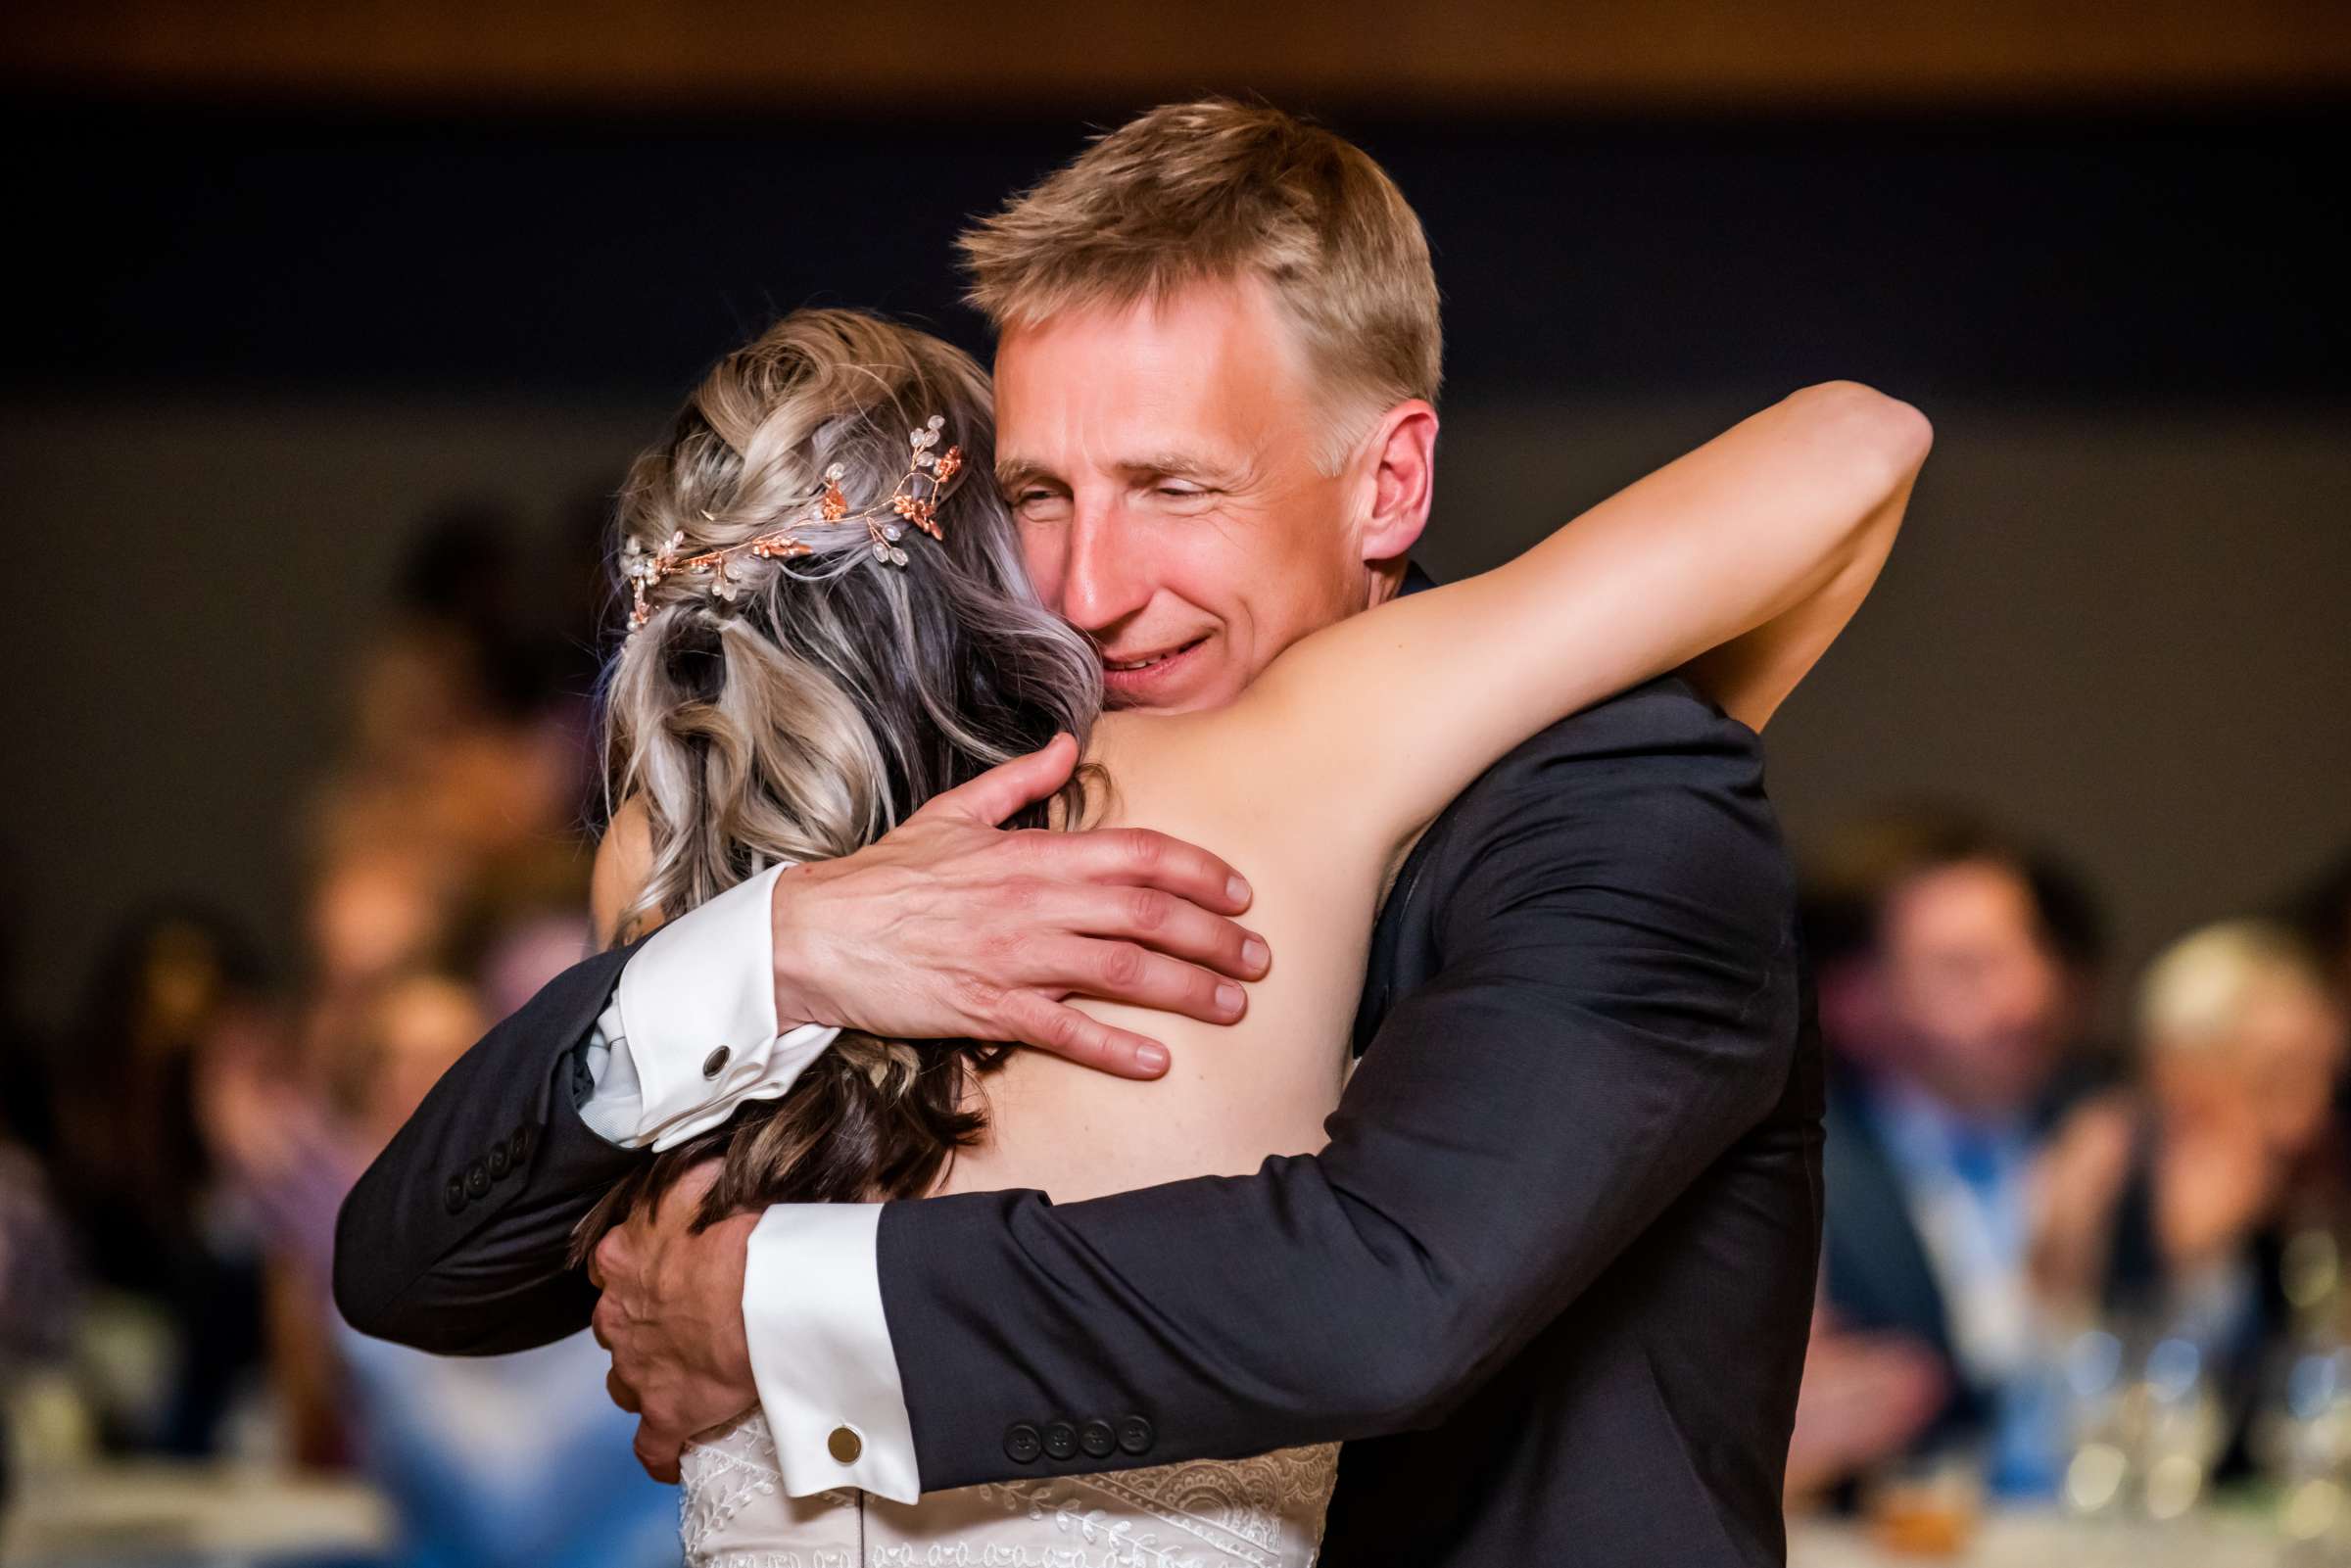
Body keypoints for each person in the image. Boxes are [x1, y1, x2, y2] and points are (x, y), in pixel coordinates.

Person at [338, 101, 1927, 1565]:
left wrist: (774, 1308)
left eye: (1171, 486)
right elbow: (424, 1265)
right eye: (1038, 495)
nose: (1090, 590)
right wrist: (779, 946)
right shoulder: (958, 829)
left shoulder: (1628, 793)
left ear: (1390, 484)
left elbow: (1393, 1296)